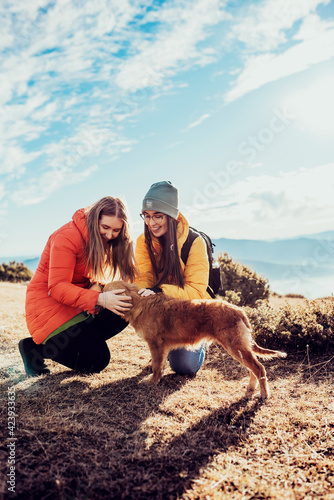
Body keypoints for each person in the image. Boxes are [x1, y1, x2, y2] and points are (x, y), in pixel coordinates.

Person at [19, 197, 135, 376]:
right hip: (49, 309)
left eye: (116, 230)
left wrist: (97, 286)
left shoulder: (104, 240)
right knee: (97, 360)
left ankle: (80, 342)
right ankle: (36, 349)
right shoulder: (66, 236)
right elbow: (57, 287)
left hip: (77, 306)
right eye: (105, 227)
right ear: (95, 219)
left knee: (125, 306)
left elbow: (94, 276)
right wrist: (99, 298)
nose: (110, 235)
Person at [135, 181, 211, 376]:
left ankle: (200, 343)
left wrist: (160, 291)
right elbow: (144, 278)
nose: (151, 223)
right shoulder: (143, 242)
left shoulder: (194, 242)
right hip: (164, 310)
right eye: (147, 216)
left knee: (183, 366)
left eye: (158, 216)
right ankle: (164, 345)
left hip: (191, 312)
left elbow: (195, 291)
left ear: (171, 216)